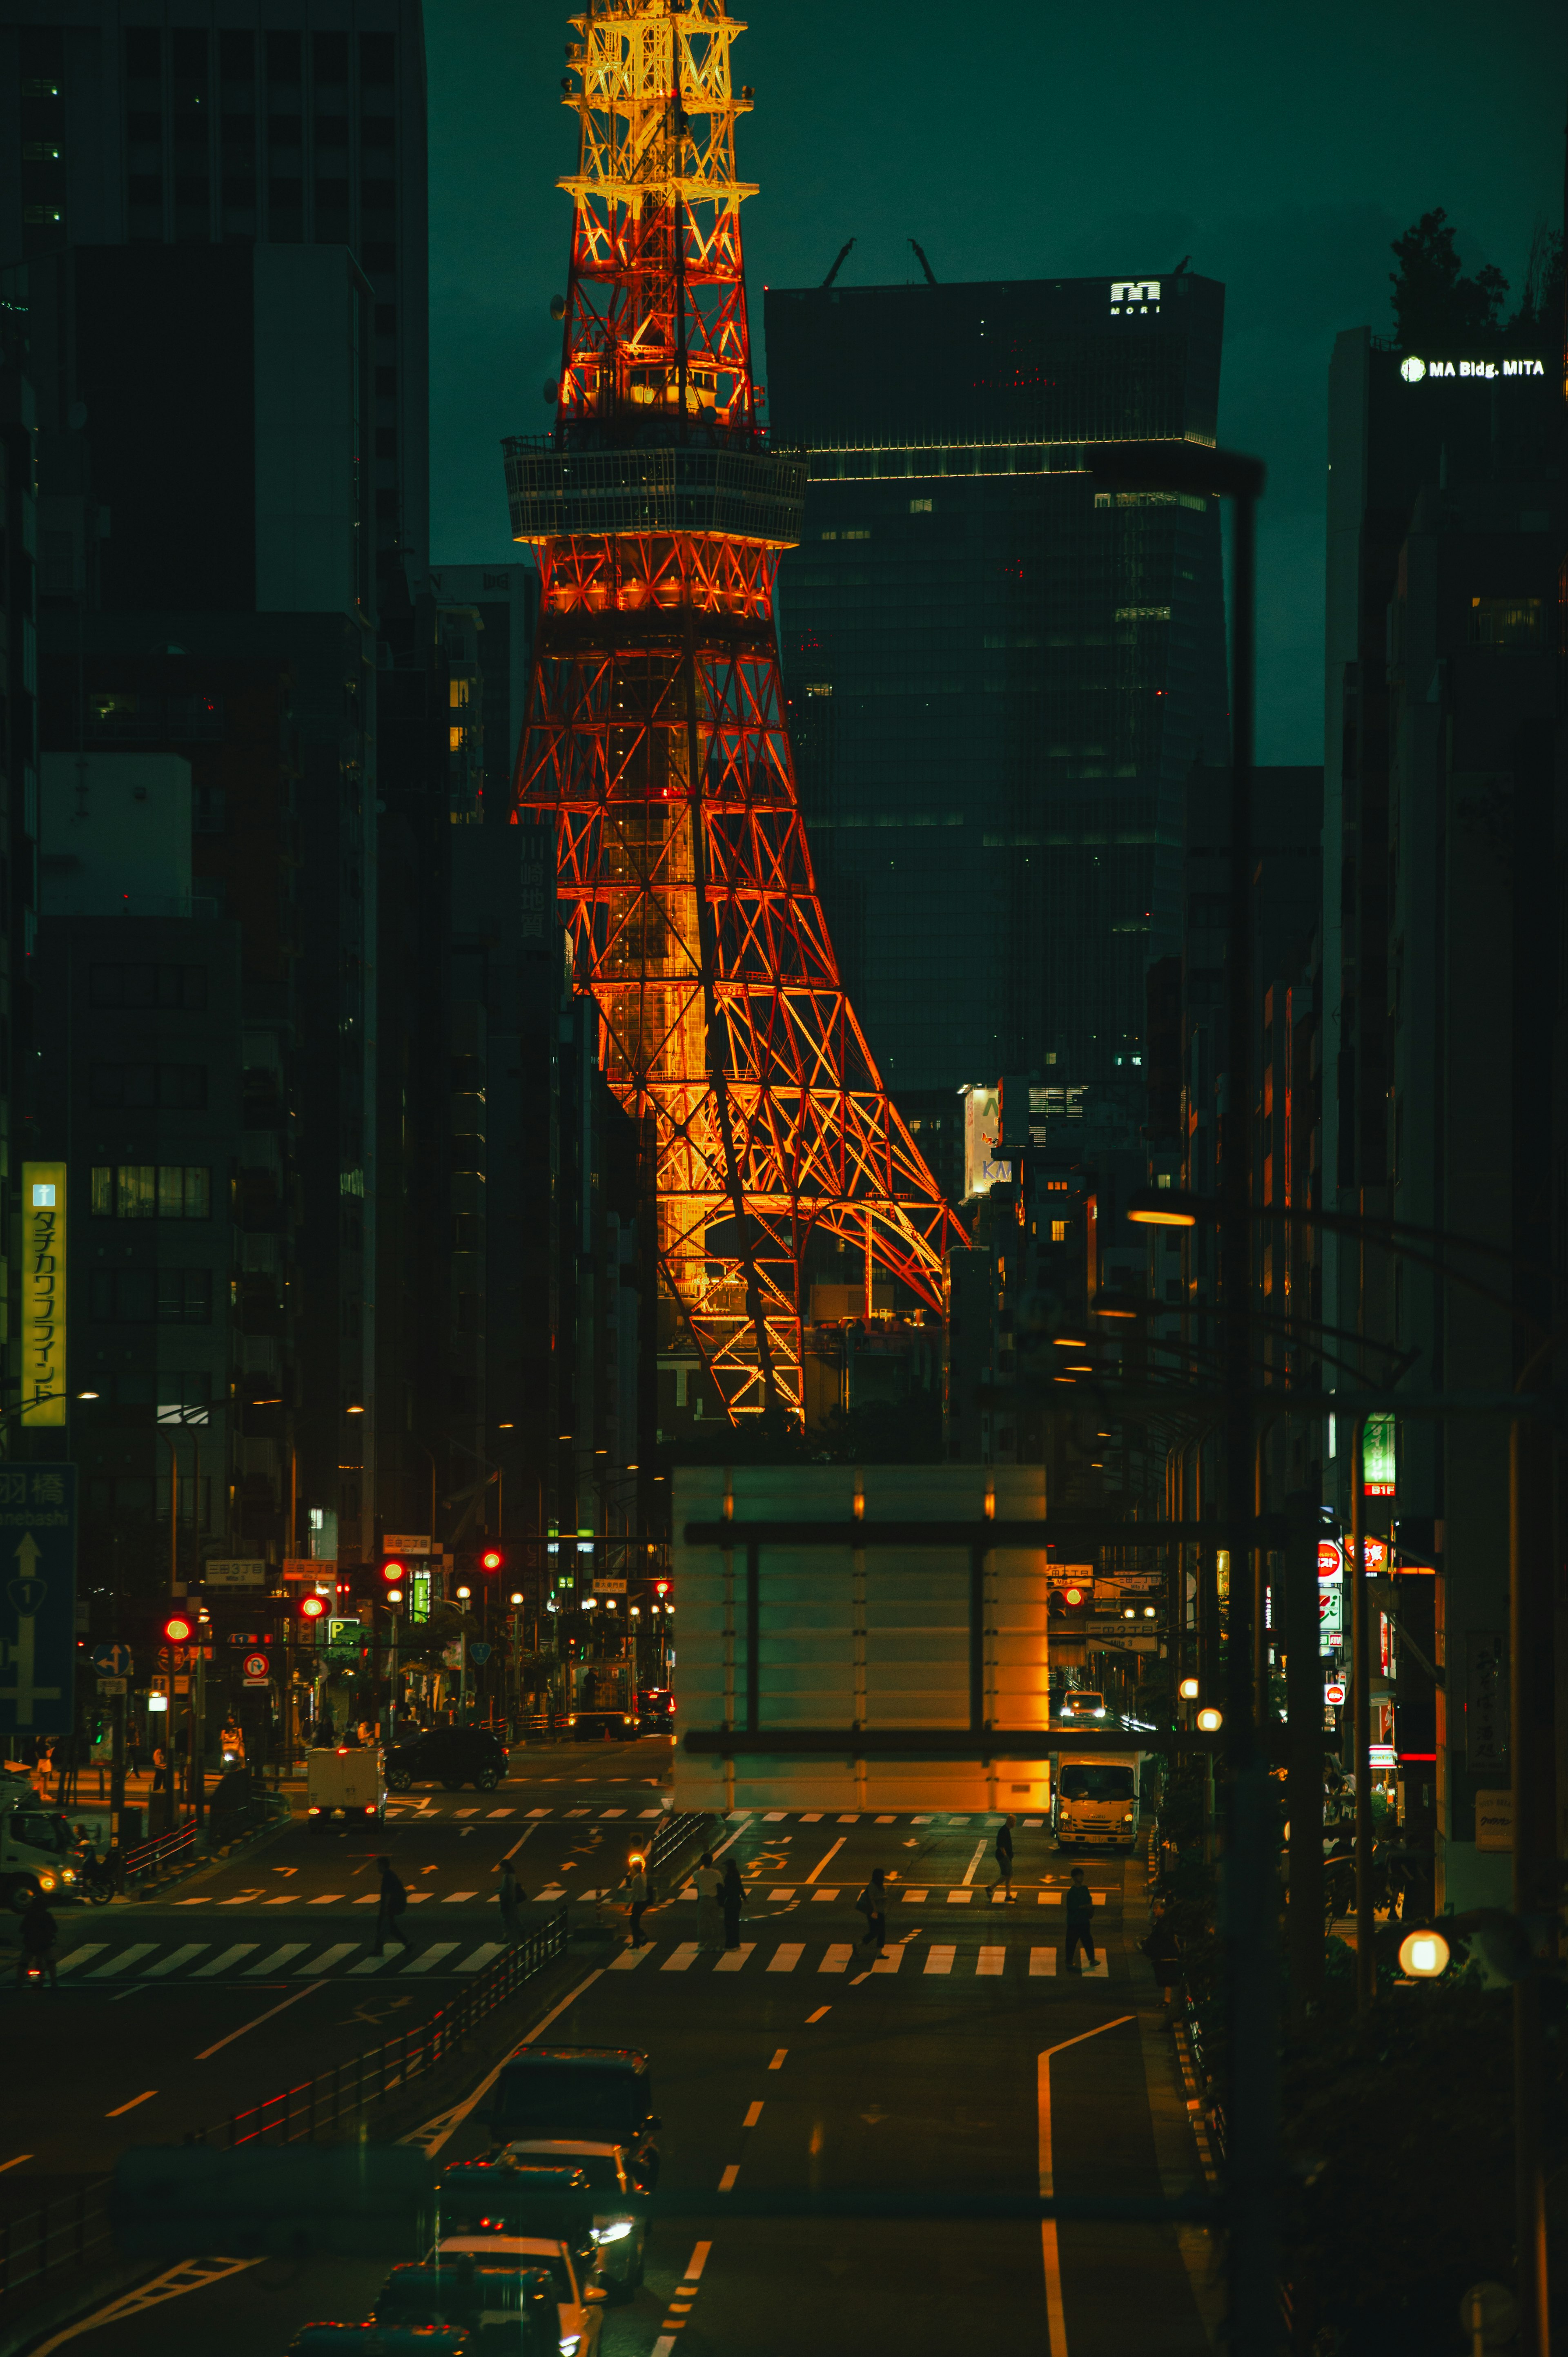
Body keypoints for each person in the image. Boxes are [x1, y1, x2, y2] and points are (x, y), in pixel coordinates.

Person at [16, 1887, 58, 1989]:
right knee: (50, 1962)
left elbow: (22, 1930)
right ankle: (54, 1982)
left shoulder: (29, 1915)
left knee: (23, 1963)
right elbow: (55, 1929)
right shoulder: (47, 1915)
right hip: (44, 1945)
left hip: (30, 1945)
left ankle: (19, 1984)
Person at [1141, 1902, 1182, 2005]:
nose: (1154, 1910)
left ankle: (1168, 2001)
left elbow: (1160, 1937)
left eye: (1157, 1908)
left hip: (1165, 1955)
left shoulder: (1164, 1922)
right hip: (1167, 1954)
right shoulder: (1164, 1921)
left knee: (1166, 1977)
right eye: (1154, 1908)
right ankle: (1168, 2000)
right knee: (1167, 1978)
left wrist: (1149, 1944)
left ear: (1163, 1909)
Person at [372, 1855, 410, 1956]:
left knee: (382, 1926)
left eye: (379, 1866)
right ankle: (408, 1944)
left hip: (390, 1906)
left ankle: (378, 1950)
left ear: (383, 1866)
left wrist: (385, 1908)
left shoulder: (387, 1876)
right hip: (394, 1905)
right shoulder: (390, 1875)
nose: (378, 1868)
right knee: (391, 1927)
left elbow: (388, 1893)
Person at [1063, 1867, 1096, 1971]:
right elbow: (1072, 1907)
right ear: (1074, 1878)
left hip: (1084, 1920)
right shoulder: (1072, 1892)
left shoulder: (1085, 1889)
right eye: (1078, 1876)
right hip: (1074, 1922)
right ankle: (1069, 1962)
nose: (1081, 1878)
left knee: (1088, 1940)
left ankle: (1092, 1959)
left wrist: (1089, 1908)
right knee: (1071, 1942)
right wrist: (1085, 1907)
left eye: (1082, 1875)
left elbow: (1089, 1900)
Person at [621, 1854, 652, 1949]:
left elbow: (635, 1893)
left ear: (634, 1868)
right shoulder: (644, 1875)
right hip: (645, 1901)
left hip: (639, 1902)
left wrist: (628, 1904)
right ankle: (637, 1942)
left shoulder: (637, 1878)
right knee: (635, 1922)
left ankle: (642, 1938)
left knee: (633, 1922)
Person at [693, 1850, 723, 1949]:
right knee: (715, 1921)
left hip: (703, 1899)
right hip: (714, 1899)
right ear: (712, 1861)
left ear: (702, 1862)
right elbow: (721, 1885)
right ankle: (716, 1942)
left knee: (702, 1922)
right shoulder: (717, 1873)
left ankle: (703, 1941)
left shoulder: (699, 1873)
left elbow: (696, 1879)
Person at [855, 1868, 886, 1958]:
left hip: (879, 1911)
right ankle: (859, 1945)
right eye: (882, 1876)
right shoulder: (873, 1886)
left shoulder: (879, 1885)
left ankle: (879, 1952)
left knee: (880, 1932)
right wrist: (876, 1910)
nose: (884, 1877)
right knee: (876, 1932)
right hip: (874, 1912)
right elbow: (872, 1899)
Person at [497, 1858, 526, 1942]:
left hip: (507, 1900)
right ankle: (522, 1933)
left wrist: (497, 1891)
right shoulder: (513, 1875)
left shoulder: (507, 1876)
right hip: (512, 1900)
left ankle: (506, 1937)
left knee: (505, 1919)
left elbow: (505, 1889)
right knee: (515, 1917)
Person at [721, 1858, 744, 1949]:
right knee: (735, 1923)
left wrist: (722, 1900)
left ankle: (730, 1944)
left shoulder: (729, 1876)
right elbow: (740, 1886)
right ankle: (736, 1944)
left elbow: (727, 1889)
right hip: (737, 1901)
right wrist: (744, 1897)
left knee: (729, 1924)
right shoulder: (736, 1874)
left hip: (731, 1902)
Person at [993, 1814, 1016, 1902]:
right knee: (1008, 1875)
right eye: (1014, 1821)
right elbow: (1001, 1846)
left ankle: (1008, 1896)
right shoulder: (1004, 1831)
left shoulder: (1006, 1830)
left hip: (1005, 1857)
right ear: (1010, 1822)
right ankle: (991, 1888)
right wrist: (1006, 1857)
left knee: (1008, 1875)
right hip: (1003, 1857)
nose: (1015, 1823)